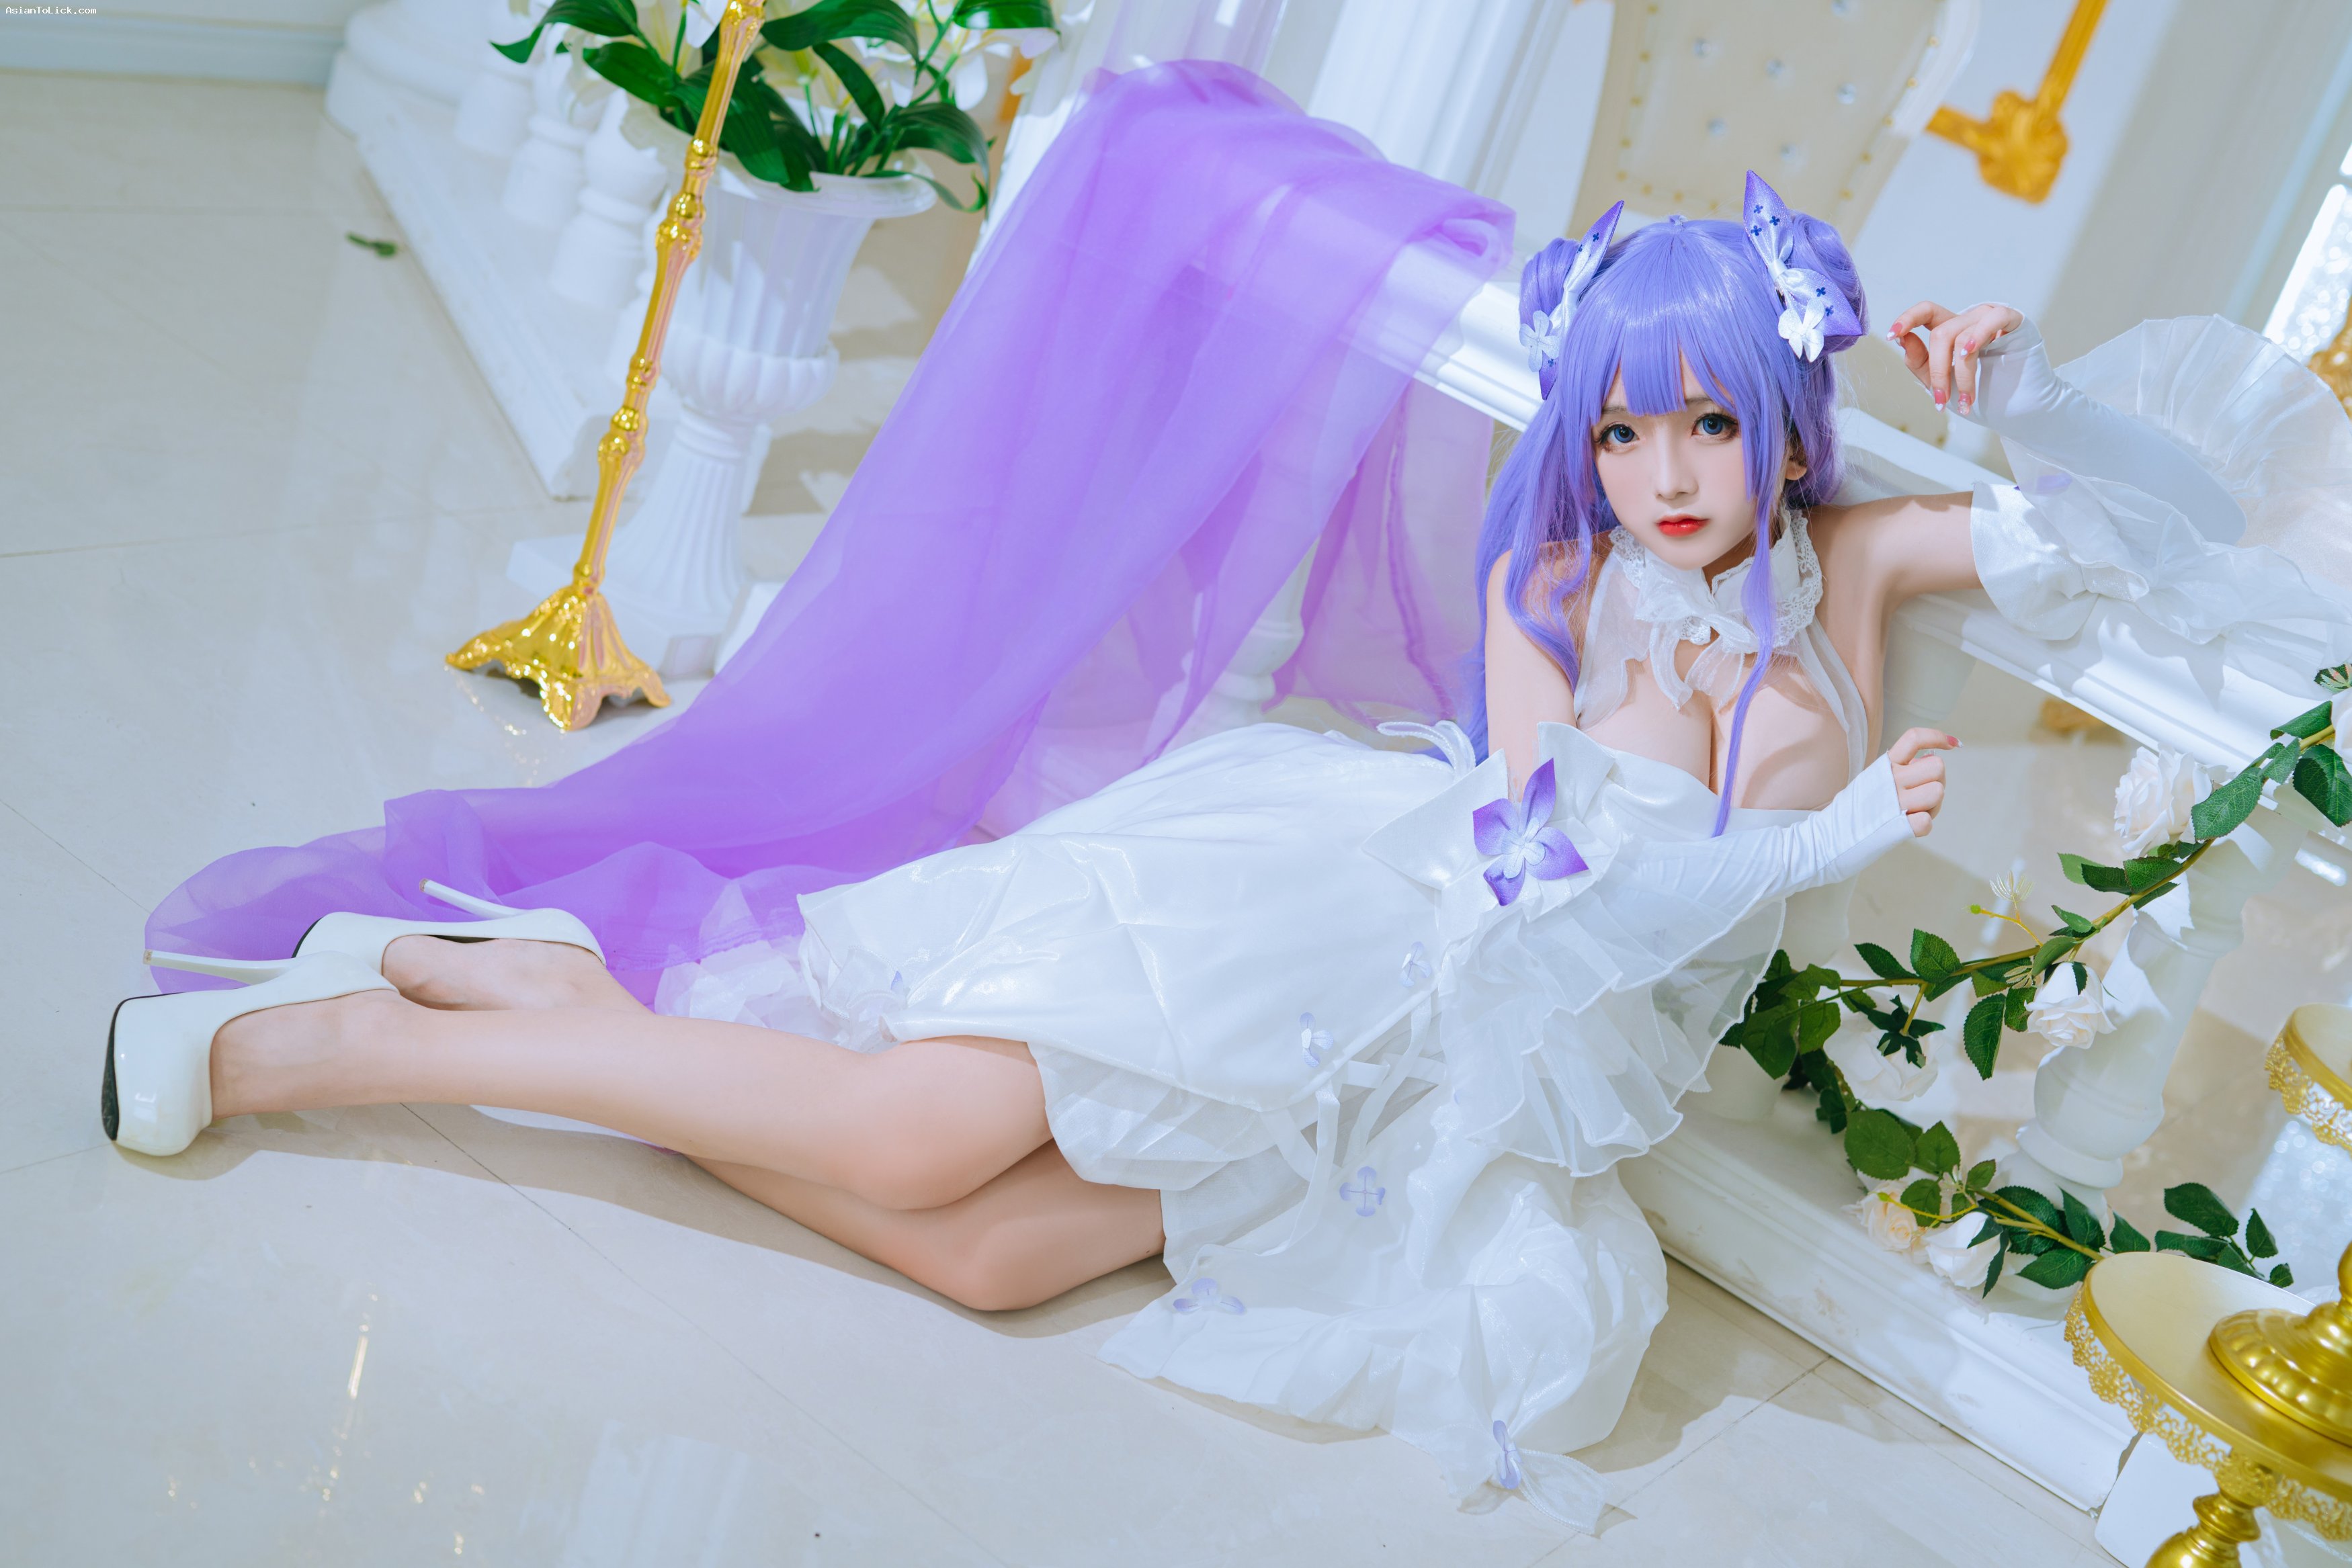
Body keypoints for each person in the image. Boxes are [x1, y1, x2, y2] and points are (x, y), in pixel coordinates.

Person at [103, 145, 2347, 1530]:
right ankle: (318, 1055)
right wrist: (1811, 845)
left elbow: (2168, 545)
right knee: (908, 1145)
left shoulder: (1853, 562)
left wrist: (2028, 401)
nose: (1664, 475)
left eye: (1705, 426)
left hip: (1457, 1080)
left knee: (991, 1261)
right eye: (1622, 429)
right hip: (1348, 931)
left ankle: (569, 1015)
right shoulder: (1558, 579)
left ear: (1782, 417)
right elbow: (1546, 881)